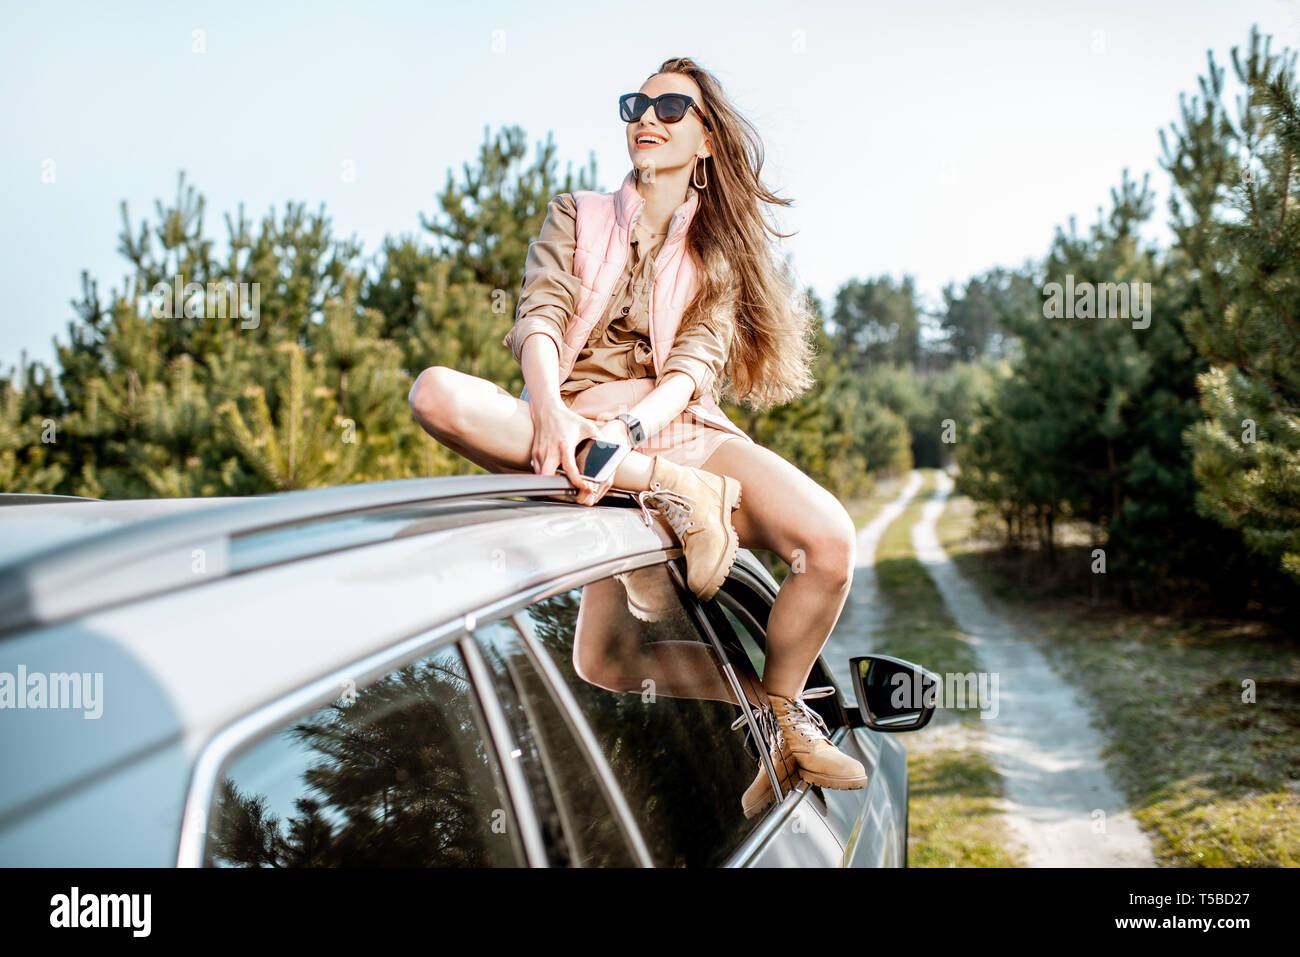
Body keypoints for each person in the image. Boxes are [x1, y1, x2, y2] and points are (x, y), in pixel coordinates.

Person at [409, 56, 866, 816]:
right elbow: (542, 312)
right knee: (435, 394)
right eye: (636, 104)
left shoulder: (715, 250)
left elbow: (693, 367)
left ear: (708, 138)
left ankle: (780, 712)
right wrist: (551, 407)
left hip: (667, 426)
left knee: (830, 544)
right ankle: (665, 494)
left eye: (670, 106)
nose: (646, 117)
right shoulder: (577, 212)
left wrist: (627, 431)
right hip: (566, 429)